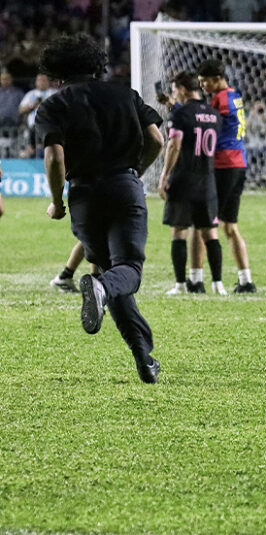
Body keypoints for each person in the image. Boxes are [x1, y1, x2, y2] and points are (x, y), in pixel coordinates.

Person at [35, 33, 164, 384]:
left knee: (110, 272)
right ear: (96, 64)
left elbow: (54, 157)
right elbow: (156, 139)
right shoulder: (124, 94)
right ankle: (102, 288)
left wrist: (57, 201)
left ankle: (144, 359)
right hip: (124, 186)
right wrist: (135, 173)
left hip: (84, 196)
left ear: (56, 72)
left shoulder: (53, 106)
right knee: (127, 270)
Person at [157, 71, 226, 295]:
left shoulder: (181, 114)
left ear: (183, 89)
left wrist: (164, 176)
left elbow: (174, 145)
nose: (174, 94)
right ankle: (218, 284)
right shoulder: (215, 115)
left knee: (179, 231)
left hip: (184, 178)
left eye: (175, 90)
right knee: (210, 233)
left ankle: (179, 285)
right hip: (207, 179)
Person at [197, 59, 256, 293]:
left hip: (224, 164)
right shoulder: (235, 95)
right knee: (230, 226)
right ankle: (246, 280)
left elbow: (210, 127)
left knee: (205, 222)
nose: (202, 86)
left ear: (216, 79)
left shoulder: (219, 99)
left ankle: (196, 279)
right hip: (239, 163)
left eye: (204, 82)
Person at [18, 73, 56, 157]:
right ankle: (32, 149)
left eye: (44, 80)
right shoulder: (31, 94)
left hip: (51, 123)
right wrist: (31, 106)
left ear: (48, 82)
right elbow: (21, 110)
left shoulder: (54, 93)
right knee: (34, 128)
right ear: (36, 82)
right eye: (39, 80)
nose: (41, 82)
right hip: (34, 125)